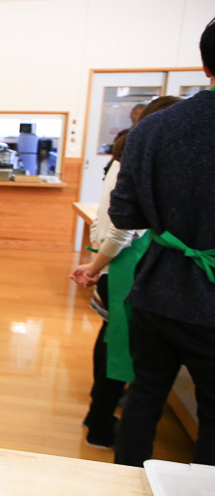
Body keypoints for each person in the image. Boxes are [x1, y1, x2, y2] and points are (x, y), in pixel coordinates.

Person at [108, 16, 215, 467]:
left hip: (156, 288)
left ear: (205, 67)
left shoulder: (153, 128)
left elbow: (124, 214)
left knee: (145, 394)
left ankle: (126, 493)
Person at [69, 96, 183, 448]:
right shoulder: (136, 157)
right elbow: (120, 228)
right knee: (118, 345)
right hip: (124, 264)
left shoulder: (127, 154)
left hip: (121, 262)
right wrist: (96, 265)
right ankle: (101, 421)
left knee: (111, 340)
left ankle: (101, 412)